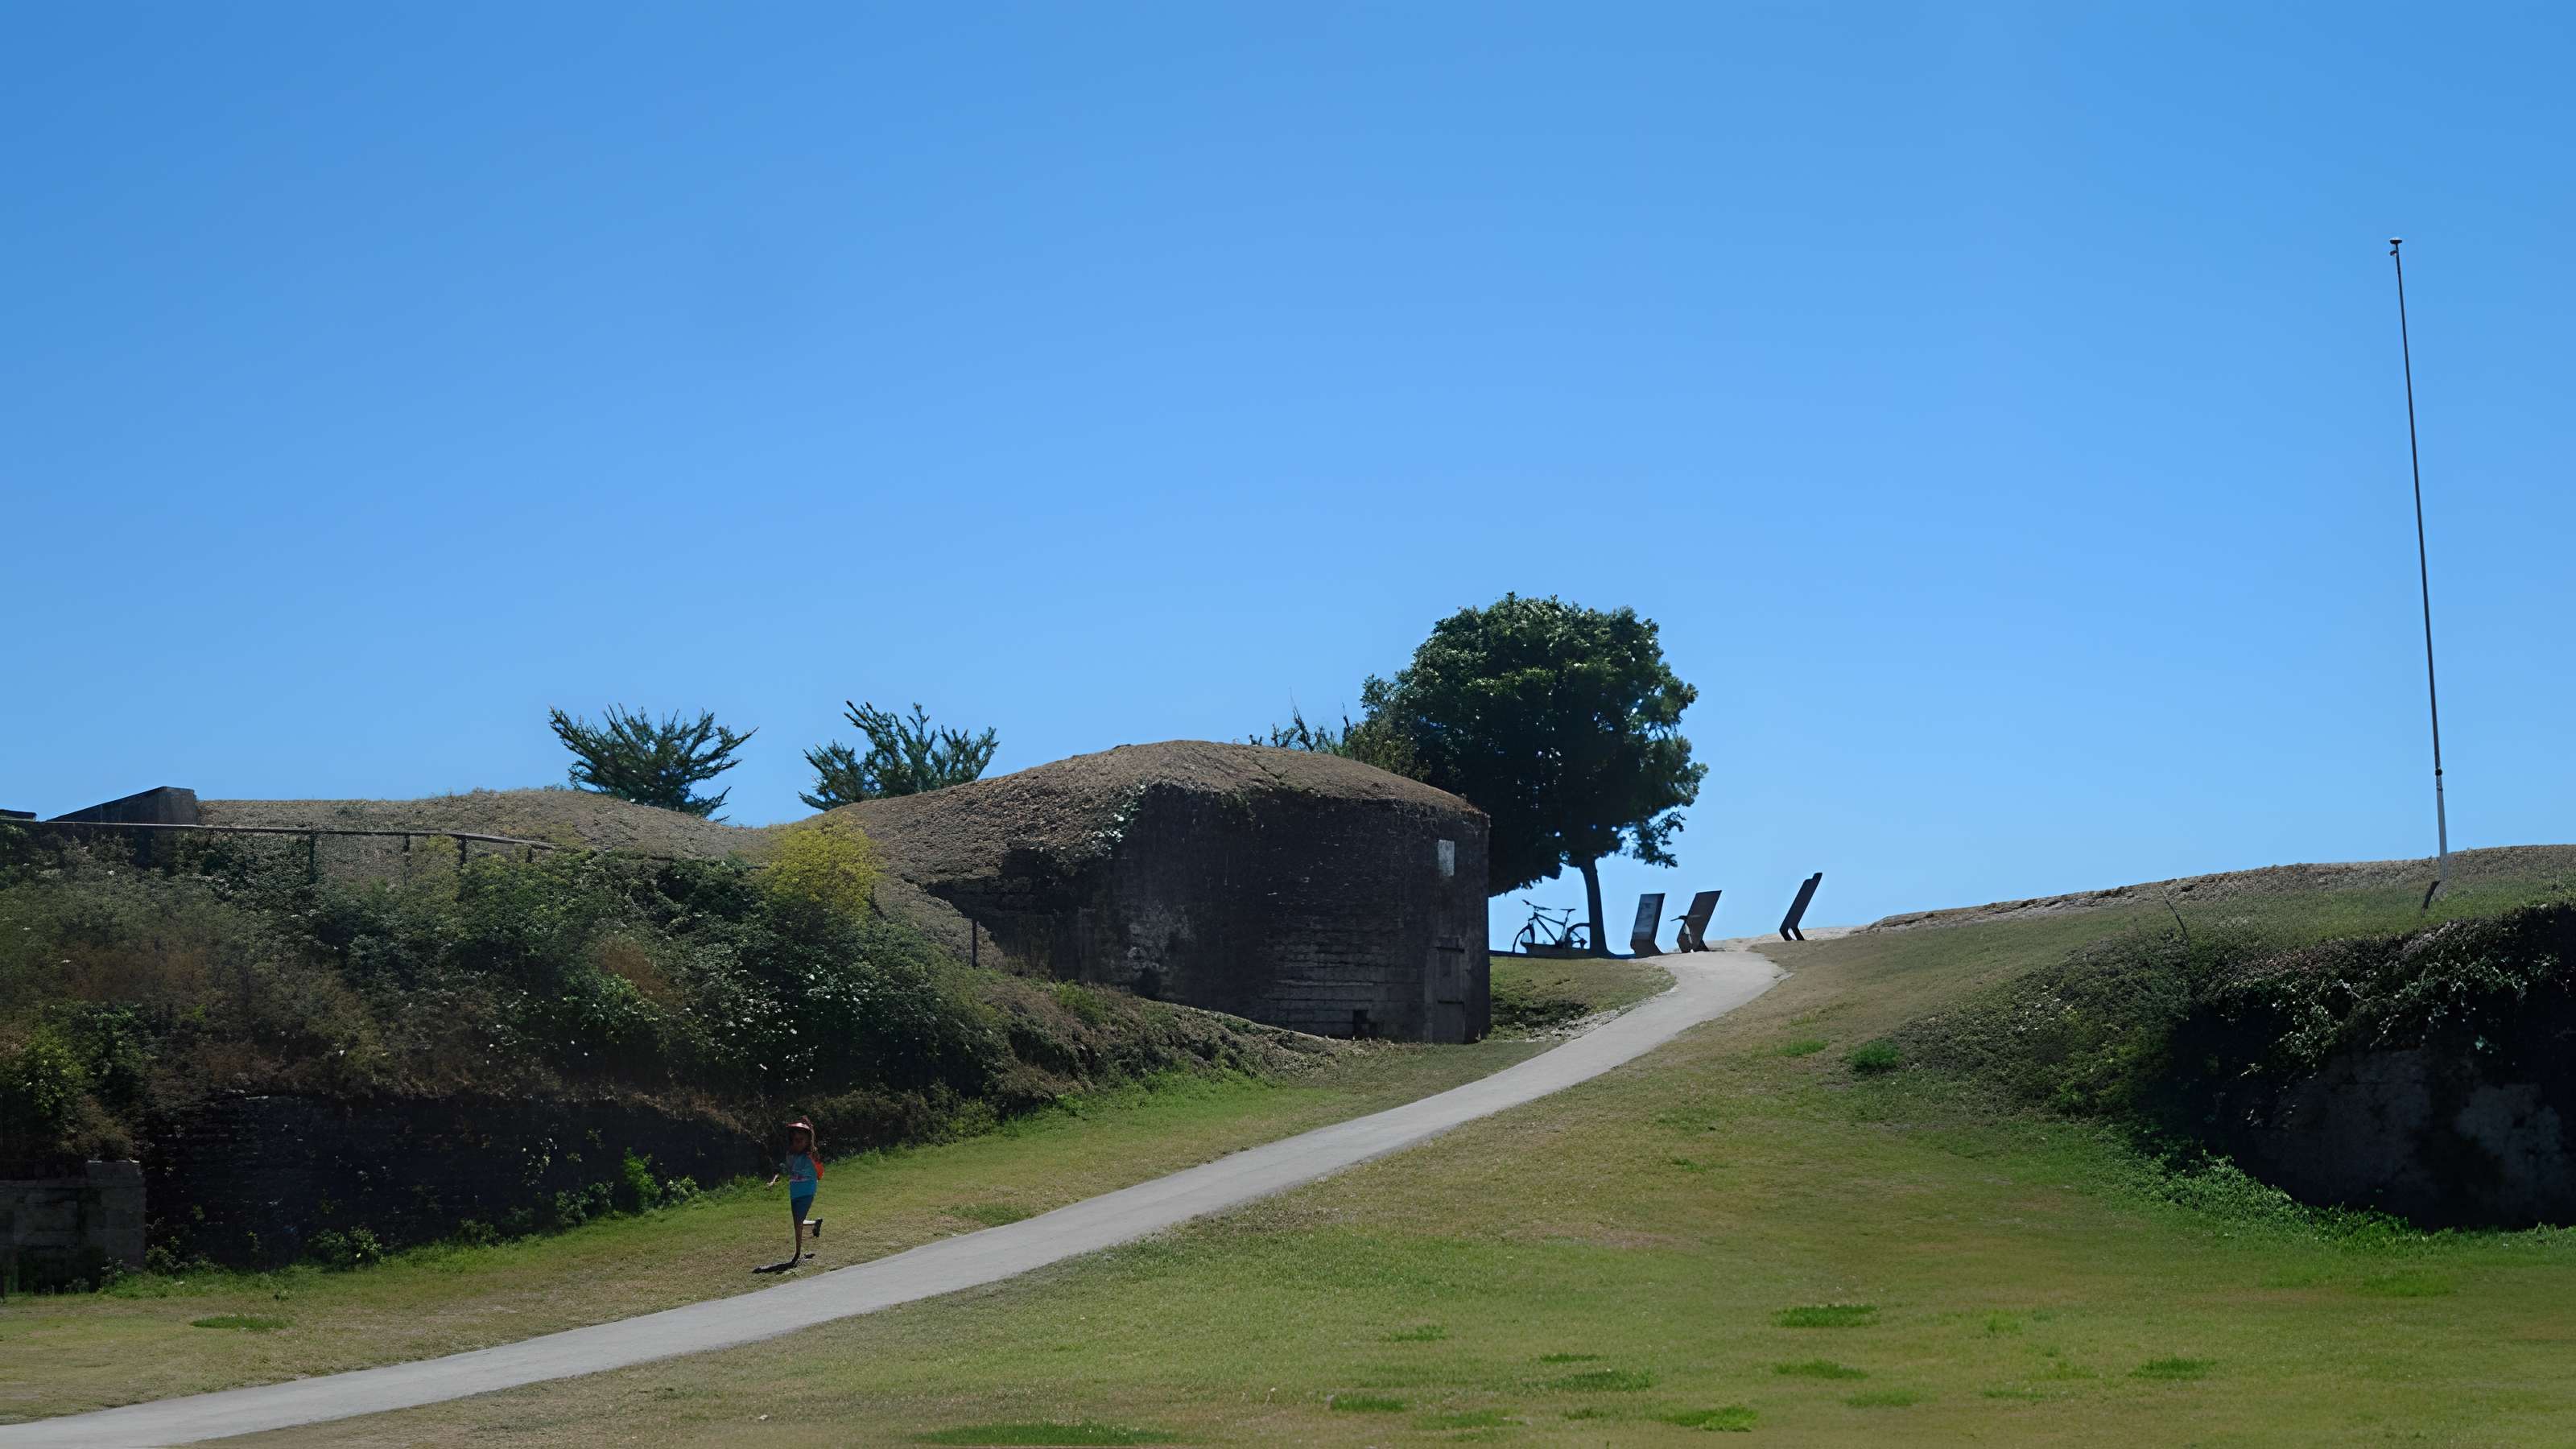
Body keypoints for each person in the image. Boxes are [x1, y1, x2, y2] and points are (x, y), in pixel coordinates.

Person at [765, 1119, 824, 1265]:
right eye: (795, 1140)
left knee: (798, 1222)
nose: (797, 1143)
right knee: (798, 1221)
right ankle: (815, 1224)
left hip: (807, 1190)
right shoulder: (790, 1155)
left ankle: (797, 1253)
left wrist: (812, 1134)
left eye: (801, 1140)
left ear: (807, 1141)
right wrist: (773, 1181)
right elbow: (783, 1169)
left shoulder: (811, 1154)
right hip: (795, 1191)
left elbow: (820, 1172)